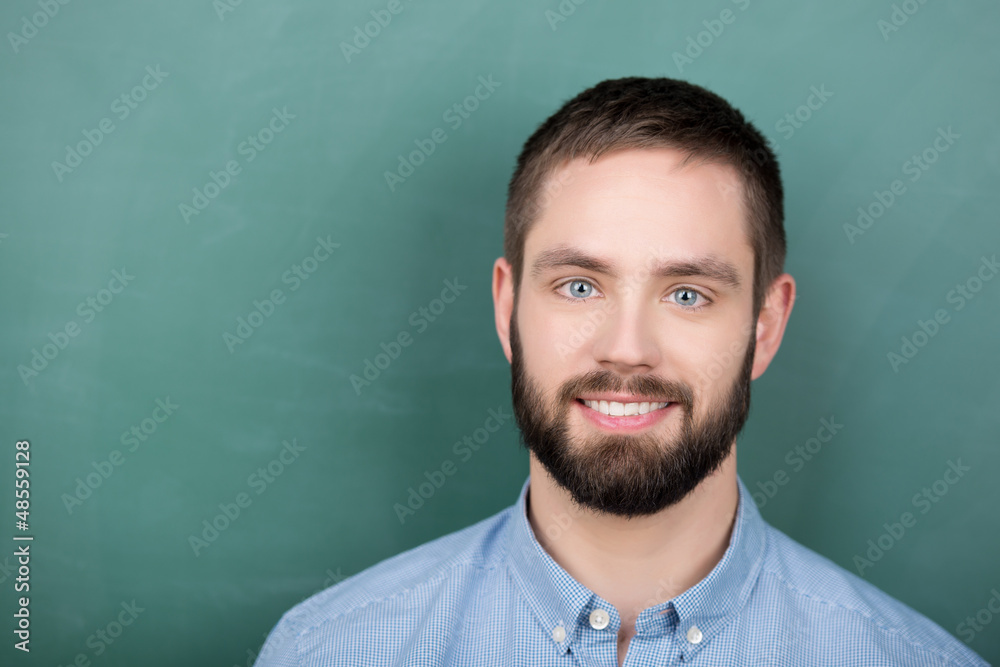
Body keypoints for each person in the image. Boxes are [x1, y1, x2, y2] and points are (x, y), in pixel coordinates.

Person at [254, 77, 987, 667]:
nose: (627, 349)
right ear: (509, 307)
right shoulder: (327, 650)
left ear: (765, 327)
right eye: (579, 286)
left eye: (688, 293)